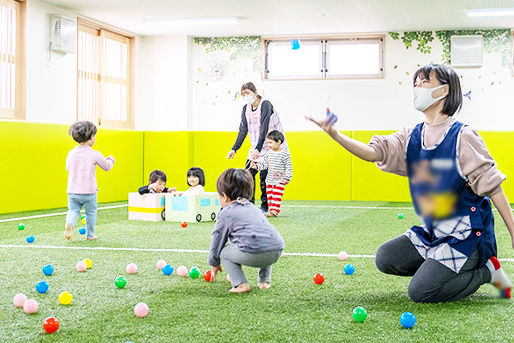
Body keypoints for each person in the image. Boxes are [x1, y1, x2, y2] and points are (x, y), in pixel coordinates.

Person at [307, 64, 513, 302]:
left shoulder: (463, 136)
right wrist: (335, 135)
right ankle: (439, 268)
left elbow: (494, 189)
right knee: (386, 258)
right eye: (415, 82)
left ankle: (487, 270)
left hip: (466, 236)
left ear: (444, 90)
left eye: (425, 81)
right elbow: (373, 153)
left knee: (421, 292)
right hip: (433, 233)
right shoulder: (411, 136)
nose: (417, 87)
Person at [208, 168, 285, 293]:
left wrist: (214, 262)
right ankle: (264, 281)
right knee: (263, 239)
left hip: (255, 254)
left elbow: (217, 239)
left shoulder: (225, 213)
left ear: (225, 196)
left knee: (224, 252)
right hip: (276, 249)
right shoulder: (254, 208)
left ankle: (240, 284)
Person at [227, 82, 287, 213]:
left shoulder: (265, 105)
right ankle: (250, 205)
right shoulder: (245, 109)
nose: (246, 96)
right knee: (247, 174)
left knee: (265, 177)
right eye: (243, 94)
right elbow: (243, 130)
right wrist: (234, 149)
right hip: (256, 147)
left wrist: (258, 149)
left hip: (271, 146)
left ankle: (265, 206)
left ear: (255, 92)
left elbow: (265, 128)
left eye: (247, 93)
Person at [65, 121, 115, 241]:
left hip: (72, 191)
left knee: (73, 210)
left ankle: (69, 224)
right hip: (89, 192)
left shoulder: (71, 153)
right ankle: (90, 235)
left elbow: (68, 168)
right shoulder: (94, 154)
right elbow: (107, 167)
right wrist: (111, 159)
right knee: (91, 213)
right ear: (91, 137)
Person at [250, 130, 292, 217]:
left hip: (279, 180)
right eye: (268, 143)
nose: (269, 145)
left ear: (279, 142)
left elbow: (288, 167)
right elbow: (265, 165)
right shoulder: (268, 153)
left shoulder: (285, 154)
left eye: (271, 142)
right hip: (269, 180)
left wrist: (287, 177)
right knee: (270, 196)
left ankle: (274, 211)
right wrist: (256, 166)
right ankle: (271, 210)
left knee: (276, 196)